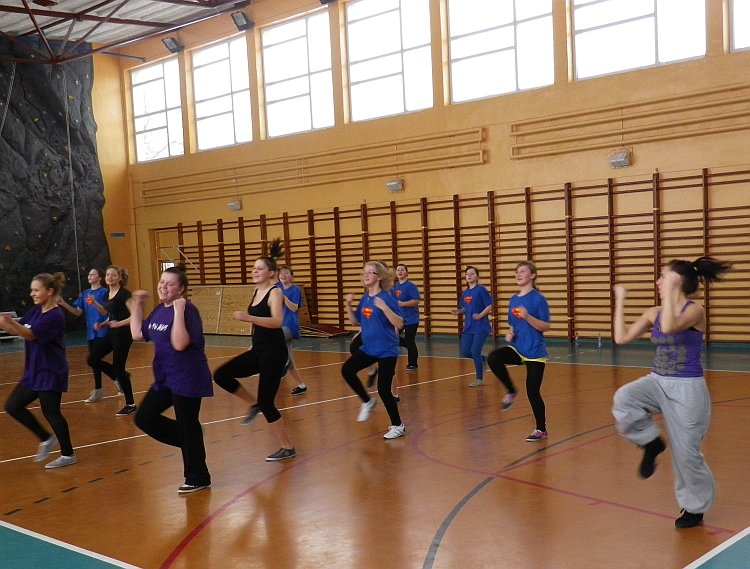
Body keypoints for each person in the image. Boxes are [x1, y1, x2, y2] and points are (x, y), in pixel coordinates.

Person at [611, 256, 732, 529]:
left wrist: (670, 292)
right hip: (658, 381)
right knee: (624, 399)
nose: (658, 281)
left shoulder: (695, 310)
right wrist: (621, 300)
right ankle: (651, 442)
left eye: (663, 276)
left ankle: (695, 507)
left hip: (687, 389)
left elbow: (669, 326)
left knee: (687, 455)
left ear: (677, 281)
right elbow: (621, 337)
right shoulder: (653, 312)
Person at [129, 267, 214, 494]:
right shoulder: (159, 309)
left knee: (187, 424)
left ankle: (198, 477)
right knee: (144, 417)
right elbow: (138, 334)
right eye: (161, 282)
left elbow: (180, 343)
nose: (163, 286)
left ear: (181, 289)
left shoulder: (188, 311)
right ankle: (190, 437)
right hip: (166, 377)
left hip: (188, 376)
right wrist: (137, 305)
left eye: (169, 283)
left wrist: (179, 310)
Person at [213, 239, 296, 462]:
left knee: (268, 402)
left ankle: (287, 447)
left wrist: (248, 317)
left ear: (271, 273)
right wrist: (253, 340)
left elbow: (277, 322)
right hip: (259, 349)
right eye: (253, 268)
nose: (254, 271)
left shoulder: (275, 293)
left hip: (274, 352)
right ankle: (253, 403)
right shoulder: (257, 290)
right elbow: (260, 324)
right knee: (221, 374)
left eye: (259, 268)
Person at [1, 273, 77, 469]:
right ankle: (46, 438)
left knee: (51, 413)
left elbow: (30, 334)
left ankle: (68, 454)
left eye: (36, 290)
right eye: (32, 290)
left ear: (49, 291)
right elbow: (18, 330)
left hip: (50, 371)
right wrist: (6, 324)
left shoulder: (55, 316)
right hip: (34, 371)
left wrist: (10, 322)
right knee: (13, 406)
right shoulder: (35, 311)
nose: (32, 293)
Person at [486, 261, 551, 442]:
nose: (518, 274)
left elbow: (546, 326)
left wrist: (527, 316)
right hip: (518, 348)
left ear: (533, 275)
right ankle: (511, 390)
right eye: (516, 272)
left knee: (533, 392)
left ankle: (541, 429)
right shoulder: (514, 299)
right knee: (493, 358)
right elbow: (513, 324)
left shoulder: (538, 299)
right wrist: (511, 332)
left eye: (522, 271)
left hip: (535, 351)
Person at [342, 261, 405, 440]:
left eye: (370, 272)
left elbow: (400, 323)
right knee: (347, 370)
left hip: (387, 350)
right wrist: (348, 305)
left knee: (383, 389)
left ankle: (398, 426)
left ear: (379, 277)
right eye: (364, 272)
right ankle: (367, 401)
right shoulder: (365, 298)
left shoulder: (386, 298)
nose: (366, 275)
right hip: (369, 348)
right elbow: (356, 321)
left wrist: (384, 308)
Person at [57, 267, 114, 402]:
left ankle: (105, 384)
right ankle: (110, 381)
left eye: (93, 274)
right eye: (89, 274)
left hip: (102, 331)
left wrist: (94, 302)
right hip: (91, 333)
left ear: (99, 278)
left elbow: (105, 312)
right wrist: (63, 304)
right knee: (94, 361)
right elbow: (78, 312)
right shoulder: (85, 293)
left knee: (94, 360)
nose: (89, 276)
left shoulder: (104, 292)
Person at [89, 265, 137, 416]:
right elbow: (109, 314)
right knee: (92, 359)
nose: (110, 277)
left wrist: (119, 323)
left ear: (119, 278)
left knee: (118, 367)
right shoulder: (106, 295)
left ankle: (130, 404)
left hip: (123, 335)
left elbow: (136, 315)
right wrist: (103, 323)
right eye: (108, 275)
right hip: (111, 333)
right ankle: (120, 375)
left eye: (113, 275)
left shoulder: (124, 294)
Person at [451, 266, 493, 387]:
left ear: (477, 277)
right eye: (467, 274)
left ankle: (479, 378)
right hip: (469, 326)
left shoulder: (481, 290)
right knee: (465, 351)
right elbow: (465, 308)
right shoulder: (466, 292)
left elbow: (489, 306)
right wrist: (459, 311)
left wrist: (480, 315)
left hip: (481, 326)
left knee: (475, 351)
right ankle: (484, 359)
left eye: (472, 274)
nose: (469, 275)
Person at [277, 266, 307, 396]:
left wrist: (283, 297)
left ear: (292, 276)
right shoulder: (276, 286)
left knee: (273, 340)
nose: (283, 275)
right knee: (289, 360)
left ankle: (281, 366)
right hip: (278, 326)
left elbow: (294, 308)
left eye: (286, 273)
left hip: (289, 327)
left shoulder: (295, 290)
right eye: (281, 273)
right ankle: (301, 385)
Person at [393, 264, 421, 372]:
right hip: (399, 319)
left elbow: (416, 300)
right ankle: (407, 344)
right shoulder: (395, 286)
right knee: (392, 336)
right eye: (398, 270)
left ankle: (413, 363)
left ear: (407, 273)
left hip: (411, 319)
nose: (400, 271)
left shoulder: (411, 286)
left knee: (410, 340)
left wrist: (403, 304)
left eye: (402, 270)